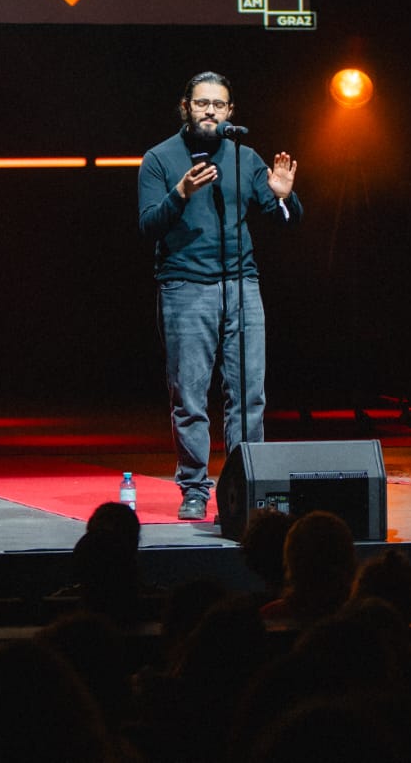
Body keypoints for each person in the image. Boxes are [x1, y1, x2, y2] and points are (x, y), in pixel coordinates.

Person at [137, 71, 300, 522]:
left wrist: (284, 197)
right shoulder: (159, 159)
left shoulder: (244, 159)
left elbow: (283, 217)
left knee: (248, 394)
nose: (210, 110)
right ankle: (194, 488)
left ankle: (244, 486)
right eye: (202, 102)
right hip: (185, 287)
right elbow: (148, 225)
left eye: (219, 104)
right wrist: (181, 193)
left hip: (242, 286)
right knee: (189, 395)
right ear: (185, 107)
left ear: (230, 112)